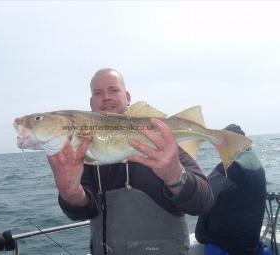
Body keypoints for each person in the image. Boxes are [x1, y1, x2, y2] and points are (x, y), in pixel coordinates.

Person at [48, 68, 214, 255]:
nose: (106, 97)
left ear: (127, 97)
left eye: (113, 90)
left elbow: (203, 202)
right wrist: (70, 193)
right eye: (97, 93)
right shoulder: (85, 153)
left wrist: (175, 175)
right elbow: (84, 211)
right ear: (91, 103)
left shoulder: (162, 143)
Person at [195, 124, 267, 255]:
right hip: (248, 244)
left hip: (225, 245)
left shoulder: (231, 168)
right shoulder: (257, 165)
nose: (218, 148)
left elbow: (201, 194)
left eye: (221, 143)